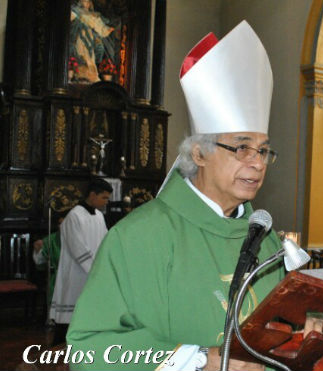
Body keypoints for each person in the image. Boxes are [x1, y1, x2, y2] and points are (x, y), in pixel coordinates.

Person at [67, 21, 282, 371]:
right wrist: (196, 360)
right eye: (242, 148)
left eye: (263, 151)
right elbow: (88, 350)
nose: (257, 163)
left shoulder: (264, 239)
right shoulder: (139, 237)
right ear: (198, 153)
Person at [49, 178, 112, 345]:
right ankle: (56, 354)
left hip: (92, 274)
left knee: (88, 317)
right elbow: (77, 248)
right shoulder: (74, 216)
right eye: (104, 198)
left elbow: (106, 241)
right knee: (68, 320)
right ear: (92, 195)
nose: (106, 202)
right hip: (76, 274)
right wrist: (96, 270)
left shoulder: (99, 216)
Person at [70, 0, 115, 83]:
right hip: (80, 37)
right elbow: (70, 18)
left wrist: (106, 30)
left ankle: (91, 75)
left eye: (88, 2)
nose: (86, 4)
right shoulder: (78, 11)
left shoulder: (93, 15)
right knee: (82, 55)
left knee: (91, 57)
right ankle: (80, 74)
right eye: (84, 2)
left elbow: (99, 25)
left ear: (90, 4)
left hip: (90, 38)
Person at [32, 211, 67, 311]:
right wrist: (38, 250)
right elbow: (40, 262)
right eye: (60, 223)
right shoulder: (51, 240)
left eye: (65, 224)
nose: (62, 226)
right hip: (57, 279)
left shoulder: (80, 238)